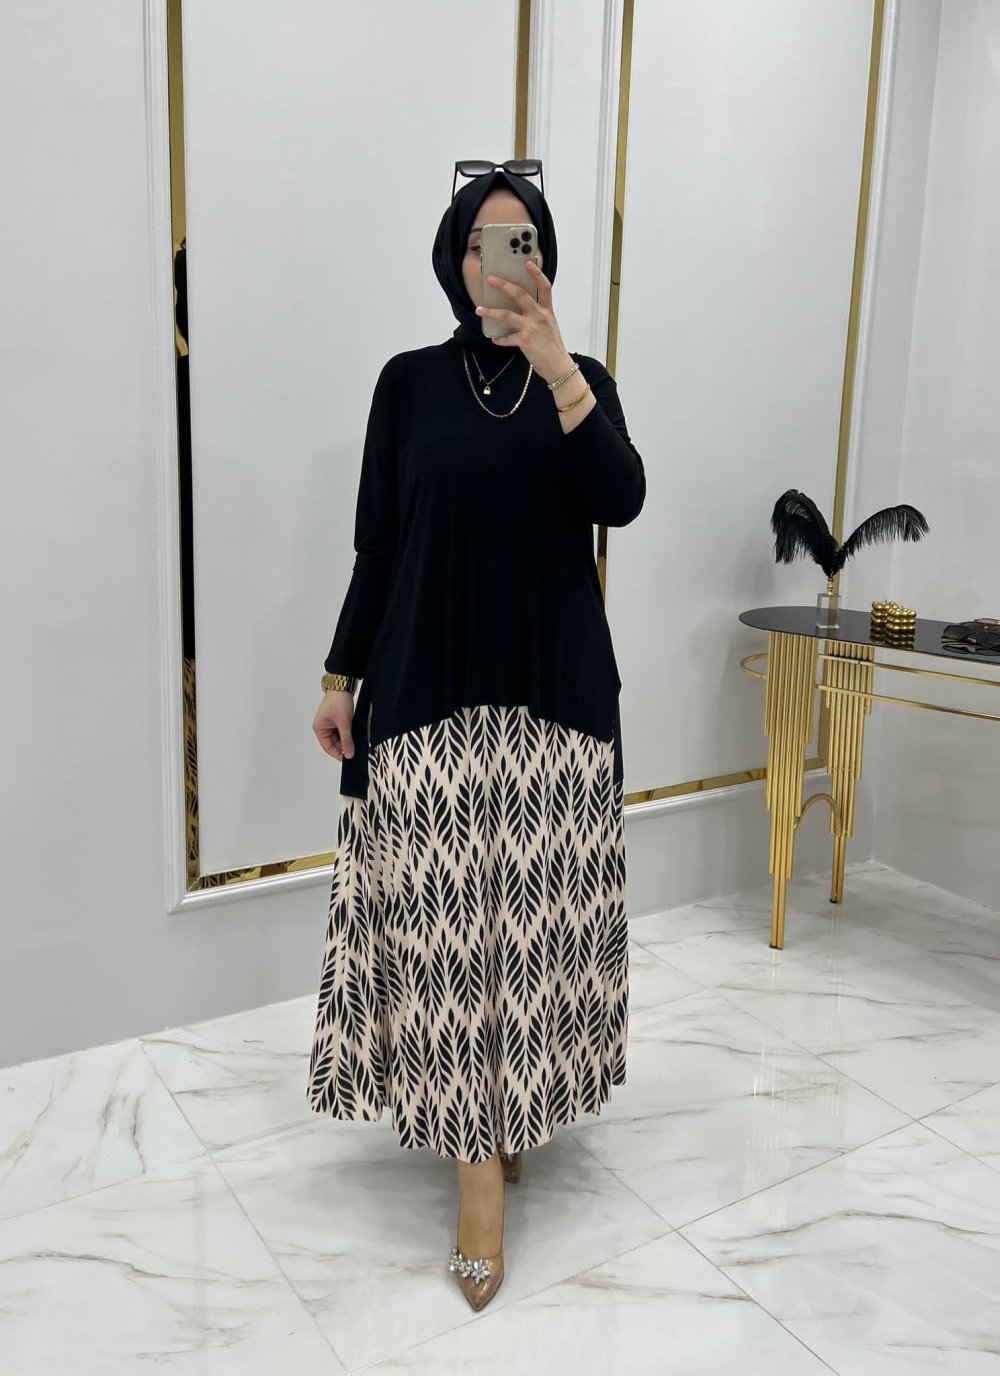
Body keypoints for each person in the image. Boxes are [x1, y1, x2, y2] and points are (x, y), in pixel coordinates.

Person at [306, 162, 646, 1311]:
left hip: (555, 697)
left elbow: (620, 499)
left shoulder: (581, 380)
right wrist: (339, 673)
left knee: (530, 935)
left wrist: (559, 368)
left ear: (544, 259)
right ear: (453, 259)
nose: (501, 261)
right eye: (480, 242)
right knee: (448, 939)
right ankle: (476, 1183)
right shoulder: (407, 384)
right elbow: (379, 546)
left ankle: (508, 1117)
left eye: (522, 241)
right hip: (427, 692)